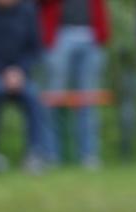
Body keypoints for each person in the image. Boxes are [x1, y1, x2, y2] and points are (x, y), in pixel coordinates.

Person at [0, 0, 54, 172]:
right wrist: (1, 72)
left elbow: (34, 49)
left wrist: (18, 70)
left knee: (33, 96)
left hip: (19, 74)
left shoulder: (28, 10)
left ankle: (35, 154)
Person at [38, 0, 110, 168]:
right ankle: (50, 154)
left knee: (88, 100)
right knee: (52, 99)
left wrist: (102, 33)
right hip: (58, 35)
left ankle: (89, 155)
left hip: (91, 36)